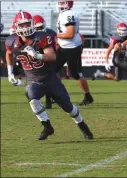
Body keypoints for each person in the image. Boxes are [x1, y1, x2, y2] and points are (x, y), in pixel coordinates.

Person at [6, 11, 94, 140]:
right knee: (32, 98)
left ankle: (82, 124)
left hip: (49, 78)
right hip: (33, 80)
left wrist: (37, 55)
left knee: (68, 107)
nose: (25, 27)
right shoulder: (10, 40)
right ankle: (47, 126)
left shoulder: (41, 36)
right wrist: (9, 72)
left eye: (27, 24)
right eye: (22, 25)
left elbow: (52, 56)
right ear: (16, 26)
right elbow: (8, 53)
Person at [55, 0, 94, 106]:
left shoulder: (69, 14)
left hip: (72, 48)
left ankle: (88, 96)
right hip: (63, 47)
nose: (60, 4)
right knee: (52, 70)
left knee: (75, 74)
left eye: (62, 2)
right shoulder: (63, 14)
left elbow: (70, 34)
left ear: (68, 4)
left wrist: (56, 35)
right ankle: (57, 94)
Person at [33, 14, 58, 109]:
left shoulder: (51, 33)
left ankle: (48, 100)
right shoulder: (32, 35)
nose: (39, 29)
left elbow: (56, 47)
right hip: (37, 59)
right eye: (37, 27)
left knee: (49, 79)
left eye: (41, 27)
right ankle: (38, 100)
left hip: (49, 58)